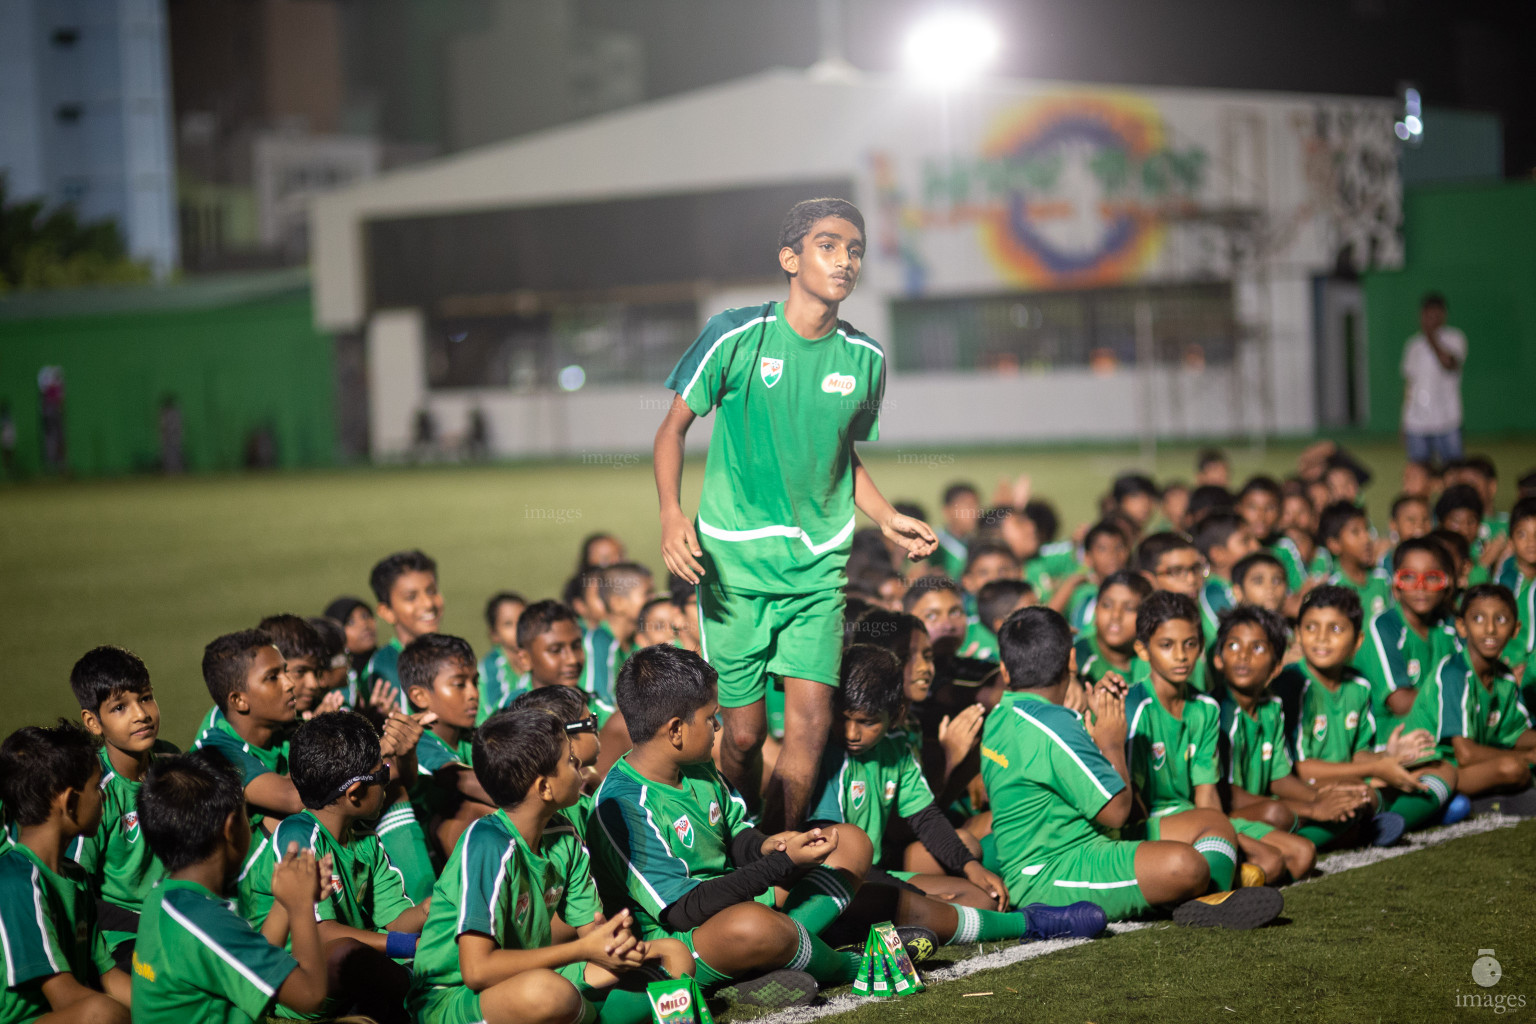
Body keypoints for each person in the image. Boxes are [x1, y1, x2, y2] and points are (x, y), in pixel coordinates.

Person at [653, 197, 937, 830]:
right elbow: (672, 430)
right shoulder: (735, 333)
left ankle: (774, 864)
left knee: (809, 724)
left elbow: (843, 455)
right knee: (746, 735)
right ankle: (731, 848)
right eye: (829, 246)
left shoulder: (866, 359)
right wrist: (673, 515)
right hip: (732, 566)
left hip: (817, 569)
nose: (845, 260)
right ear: (790, 258)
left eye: (855, 250)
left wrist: (886, 516)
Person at [588, 645, 875, 1008]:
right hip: (681, 941)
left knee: (850, 843)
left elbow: (735, 834)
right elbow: (681, 912)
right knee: (751, 925)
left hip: (733, 902)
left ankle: (768, 957)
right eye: (711, 718)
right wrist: (781, 864)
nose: (718, 726)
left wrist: (767, 847)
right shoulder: (622, 806)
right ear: (676, 730)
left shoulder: (697, 762)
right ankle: (846, 964)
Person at [980, 607, 1281, 927]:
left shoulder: (1001, 715)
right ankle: (1206, 889)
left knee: (1213, 821)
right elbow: (1117, 811)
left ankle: (1213, 899)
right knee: (1186, 865)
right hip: (1051, 872)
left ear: (1005, 669)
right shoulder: (1054, 725)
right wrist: (1111, 742)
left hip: (1090, 840)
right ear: (1072, 660)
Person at [806, 645, 1105, 949]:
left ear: (896, 716)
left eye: (868, 721)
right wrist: (920, 898)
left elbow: (927, 819)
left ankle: (890, 926)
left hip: (876, 875)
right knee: (932, 906)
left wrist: (969, 867)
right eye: (845, 718)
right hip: (838, 883)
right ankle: (1027, 923)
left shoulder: (896, 748)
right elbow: (834, 859)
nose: (852, 733)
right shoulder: (829, 758)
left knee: (980, 898)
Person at [410, 708, 690, 1024]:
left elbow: (593, 934)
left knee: (672, 953)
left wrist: (614, 941)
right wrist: (583, 949)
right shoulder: (486, 842)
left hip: (535, 977)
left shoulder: (563, 834)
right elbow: (477, 971)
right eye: (571, 761)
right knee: (548, 993)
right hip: (453, 999)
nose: (581, 767)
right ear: (544, 788)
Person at [239, 711, 428, 1024]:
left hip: (344, 983)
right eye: (382, 774)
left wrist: (425, 912)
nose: (388, 781)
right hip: (290, 990)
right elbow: (322, 934)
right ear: (354, 793)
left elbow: (393, 920)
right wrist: (411, 945)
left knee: (363, 955)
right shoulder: (299, 836)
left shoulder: (366, 840)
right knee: (347, 953)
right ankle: (428, 1004)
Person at [132, 750, 333, 1024]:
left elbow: (244, 959)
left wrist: (286, 901)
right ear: (230, 828)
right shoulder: (200, 919)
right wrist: (300, 906)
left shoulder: (168, 897)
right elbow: (311, 995)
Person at [1273, 587, 1461, 848]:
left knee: (1443, 768)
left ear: (1358, 640)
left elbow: (1358, 752)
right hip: (1305, 787)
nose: (1321, 638)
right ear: (1298, 634)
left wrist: (1390, 758)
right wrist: (1375, 768)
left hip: (1351, 776)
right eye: (1311, 628)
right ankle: (1301, 843)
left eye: (1335, 629)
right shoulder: (1291, 683)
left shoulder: (1358, 685)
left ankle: (1390, 820)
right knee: (1360, 796)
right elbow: (1299, 769)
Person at [67, 647, 179, 1005]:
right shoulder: (94, 792)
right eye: (120, 707)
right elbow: (75, 890)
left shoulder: (172, 764)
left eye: (145, 698)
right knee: (173, 989)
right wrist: (144, 921)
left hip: (176, 916)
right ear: (93, 723)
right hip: (120, 936)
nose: (141, 714)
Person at [1120, 593, 1253, 890]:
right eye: (1167, 645)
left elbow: (1206, 792)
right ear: (1143, 650)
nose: (1181, 655)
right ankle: (1213, 894)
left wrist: (1218, 838)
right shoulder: (1134, 706)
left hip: (1191, 817)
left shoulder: (1205, 708)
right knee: (1229, 860)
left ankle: (1201, 884)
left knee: (1293, 856)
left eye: (1190, 644)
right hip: (1146, 826)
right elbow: (1132, 803)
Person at [0, 721, 128, 1024]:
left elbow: (108, 977)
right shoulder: (17, 881)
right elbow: (67, 999)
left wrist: (171, 1011)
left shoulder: (76, 878)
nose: (104, 797)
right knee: (101, 1013)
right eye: (97, 788)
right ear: (70, 801)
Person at [1208, 607, 1318, 883]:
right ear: (1218, 659)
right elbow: (1225, 792)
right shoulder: (1216, 712)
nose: (1243, 655)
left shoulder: (1271, 707)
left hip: (1254, 810)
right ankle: (1225, 871)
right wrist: (1311, 809)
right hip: (1222, 813)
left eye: (1257, 648)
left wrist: (1319, 797)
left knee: (1304, 854)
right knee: (1279, 813)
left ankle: (1249, 868)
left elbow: (1280, 777)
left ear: (1277, 666)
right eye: (1233, 645)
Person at [1404, 585, 1536, 814]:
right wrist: (1526, 756)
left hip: (1466, 765)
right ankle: (1461, 801)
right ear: (1462, 626)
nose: (1490, 629)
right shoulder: (1455, 672)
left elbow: (1514, 734)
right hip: (1434, 768)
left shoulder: (1503, 676)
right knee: (1513, 768)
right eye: (1478, 618)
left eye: (1501, 619)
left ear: (1516, 629)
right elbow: (1465, 754)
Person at [1354, 538, 1463, 742]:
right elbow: (1400, 702)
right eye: (1409, 577)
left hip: (1442, 725)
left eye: (1431, 577)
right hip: (1393, 737)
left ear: (1447, 586)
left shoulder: (1449, 626)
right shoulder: (1384, 625)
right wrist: (1459, 695)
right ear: (1396, 587)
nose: (1420, 587)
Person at [401, 634, 495, 860]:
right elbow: (465, 781)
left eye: (475, 682)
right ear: (420, 696)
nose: (473, 694)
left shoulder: (472, 737)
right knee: (471, 813)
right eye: (459, 684)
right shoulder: (416, 742)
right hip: (421, 862)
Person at [365, 550, 444, 713]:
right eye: (411, 597)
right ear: (387, 612)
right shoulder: (384, 668)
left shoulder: (453, 655)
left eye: (431, 591)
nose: (428, 603)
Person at [1401, 292, 1466, 465]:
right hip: (1417, 423)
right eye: (1427, 315)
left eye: (1435, 315)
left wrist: (1431, 337)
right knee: (1419, 472)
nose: (1430, 319)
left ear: (1443, 315)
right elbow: (1409, 385)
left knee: (1454, 470)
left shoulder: (1455, 338)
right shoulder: (1413, 345)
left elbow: (1449, 364)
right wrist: (1404, 421)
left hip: (1447, 421)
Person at [583, 563, 654, 710]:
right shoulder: (600, 641)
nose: (653, 600)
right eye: (647, 593)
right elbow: (599, 702)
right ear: (618, 603)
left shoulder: (636, 644)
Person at [1319, 502, 1394, 621]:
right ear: (1334, 544)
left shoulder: (1383, 579)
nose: (1366, 539)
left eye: (1367, 529)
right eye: (1355, 532)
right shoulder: (1332, 590)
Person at [1074, 571, 1151, 686]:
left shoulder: (1153, 660)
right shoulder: (1078, 660)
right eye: (1107, 605)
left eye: (1129, 608)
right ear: (1095, 610)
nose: (1116, 615)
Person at [478, 592, 528, 725]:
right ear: (494, 634)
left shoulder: (539, 655)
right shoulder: (491, 668)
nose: (518, 628)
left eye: (522, 620)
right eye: (508, 624)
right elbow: (501, 713)